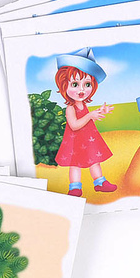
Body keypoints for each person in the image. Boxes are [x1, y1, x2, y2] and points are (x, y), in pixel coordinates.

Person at [53, 48, 117, 197]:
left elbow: (90, 116)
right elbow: (74, 125)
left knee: (95, 160)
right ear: (64, 86)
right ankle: (75, 187)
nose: (82, 90)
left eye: (87, 84)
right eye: (75, 84)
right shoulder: (70, 108)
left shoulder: (83, 105)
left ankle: (100, 182)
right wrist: (90, 116)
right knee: (75, 164)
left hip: (89, 140)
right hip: (75, 142)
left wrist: (101, 111)